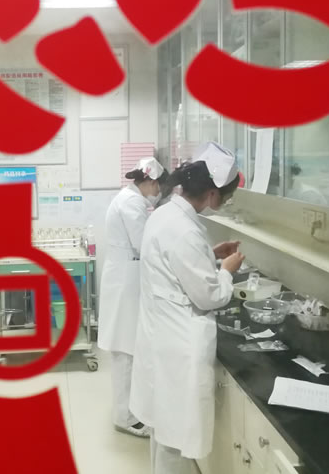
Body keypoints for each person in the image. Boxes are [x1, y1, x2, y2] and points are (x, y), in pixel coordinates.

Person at [130, 142, 244, 473]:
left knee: (162, 428)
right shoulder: (185, 231)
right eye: (227, 196)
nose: (226, 201)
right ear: (212, 193)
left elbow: (176, 263)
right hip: (178, 342)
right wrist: (227, 271)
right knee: (174, 436)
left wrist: (210, 253)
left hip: (160, 333)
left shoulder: (166, 214)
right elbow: (210, 296)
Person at [97, 157, 169, 438]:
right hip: (126, 283)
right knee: (126, 352)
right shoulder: (132, 203)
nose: (158, 193)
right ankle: (125, 418)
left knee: (126, 349)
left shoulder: (128, 198)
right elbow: (143, 244)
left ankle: (128, 412)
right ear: (149, 181)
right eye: (158, 187)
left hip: (125, 279)